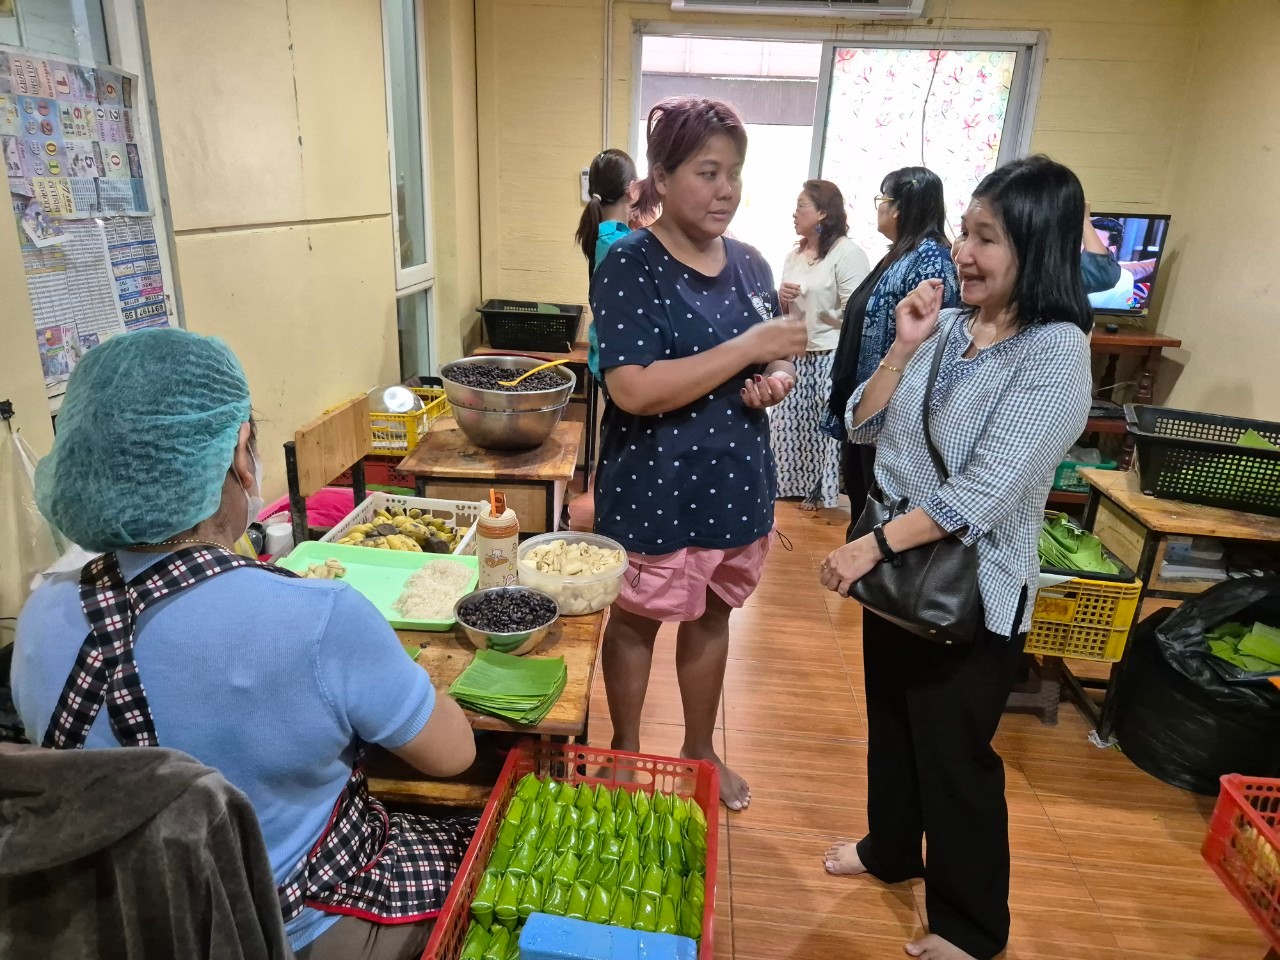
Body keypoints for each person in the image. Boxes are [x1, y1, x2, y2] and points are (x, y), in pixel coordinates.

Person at [11, 328, 479, 960]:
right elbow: (452, 756)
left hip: (121, 925)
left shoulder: (40, 615)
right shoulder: (320, 618)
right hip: (285, 928)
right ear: (237, 453)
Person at [818, 156, 1094, 960]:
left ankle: (972, 929)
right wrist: (901, 350)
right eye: (964, 231)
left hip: (973, 589)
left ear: (1036, 248)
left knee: (955, 756)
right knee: (894, 727)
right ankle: (891, 851)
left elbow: (984, 493)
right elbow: (861, 425)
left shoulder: (1056, 352)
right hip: (901, 576)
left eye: (985, 238)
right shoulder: (941, 327)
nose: (962, 253)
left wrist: (866, 547)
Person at [590, 97, 807, 811]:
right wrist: (750, 349)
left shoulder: (748, 263)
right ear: (660, 174)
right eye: (707, 172)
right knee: (635, 621)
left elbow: (764, 363)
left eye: (735, 174)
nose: (725, 190)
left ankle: (699, 748)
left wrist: (773, 380)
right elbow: (633, 389)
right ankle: (623, 751)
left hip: (734, 480)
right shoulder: (630, 262)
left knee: (711, 618)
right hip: (654, 484)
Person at [823, 166, 959, 533]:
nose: (878, 208)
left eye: (882, 200)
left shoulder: (930, 259)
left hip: (891, 413)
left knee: (878, 515)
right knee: (860, 506)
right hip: (869, 404)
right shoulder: (899, 255)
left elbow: (934, 345)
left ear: (899, 207)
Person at [772, 179, 870, 511]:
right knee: (786, 421)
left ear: (823, 213)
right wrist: (783, 299)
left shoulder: (847, 252)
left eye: (802, 205)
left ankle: (818, 491)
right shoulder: (794, 254)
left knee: (823, 425)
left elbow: (856, 311)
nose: (794, 213)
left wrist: (817, 308)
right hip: (797, 349)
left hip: (831, 352)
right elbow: (786, 309)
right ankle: (787, 484)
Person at [575, 148, 656, 380]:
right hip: (620, 361)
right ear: (632, 189)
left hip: (605, 353)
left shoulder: (605, 235)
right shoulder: (622, 245)